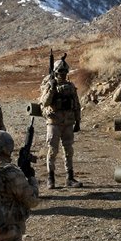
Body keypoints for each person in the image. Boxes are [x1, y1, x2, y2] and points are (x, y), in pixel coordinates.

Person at [38, 57, 83, 189]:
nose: (62, 74)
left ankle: (69, 177)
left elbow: (76, 104)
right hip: (54, 122)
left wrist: (78, 121)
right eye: (60, 72)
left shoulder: (70, 87)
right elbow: (44, 102)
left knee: (69, 150)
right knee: (52, 150)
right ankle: (50, 178)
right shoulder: (50, 85)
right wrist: (51, 88)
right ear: (56, 72)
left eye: (64, 72)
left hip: (68, 122)